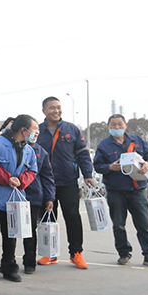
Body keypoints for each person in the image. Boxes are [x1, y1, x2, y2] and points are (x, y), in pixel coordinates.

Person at [93, 114, 148, 268]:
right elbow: (98, 166)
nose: (117, 127)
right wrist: (110, 167)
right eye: (113, 125)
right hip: (116, 191)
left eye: (120, 124)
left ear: (125, 125)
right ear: (108, 127)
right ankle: (123, 253)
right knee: (118, 225)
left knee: (144, 225)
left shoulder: (137, 140)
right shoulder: (104, 145)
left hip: (137, 190)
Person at [0, 115, 39, 282]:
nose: (36, 133)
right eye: (34, 129)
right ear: (24, 130)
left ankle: (8, 266)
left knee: (11, 235)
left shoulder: (28, 150)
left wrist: (21, 181)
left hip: (14, 200)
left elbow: (33, 171)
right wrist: (7, 178)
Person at [36, 97, 94, 269]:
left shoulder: (72, 129)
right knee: (47, 218)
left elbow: (83, 154)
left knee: (72, 217)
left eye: (58, 107)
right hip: (46, 183)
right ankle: (49, 253)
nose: (56, 111)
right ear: (44, 111)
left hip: (68, 181)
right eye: (52, 108)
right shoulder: (38, 130)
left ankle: (76, 253)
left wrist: (87, 174)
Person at [24, 128, 56, 274]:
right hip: (14, 196)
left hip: (34, 197)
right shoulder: (12, 148)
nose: (35, 132)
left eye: (37, 129)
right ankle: (8, 262)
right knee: (10, 232)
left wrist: (49, 197)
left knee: (30, 231)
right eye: (32, 129)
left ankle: (29, 262)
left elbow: (47, 177)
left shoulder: (41, 152)